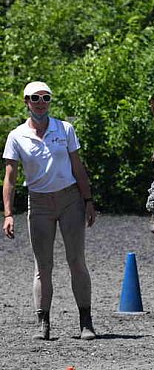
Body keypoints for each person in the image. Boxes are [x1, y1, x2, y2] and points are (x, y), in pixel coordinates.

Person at [2, 81, 97, 341]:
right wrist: (8, 213)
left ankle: (85, 322)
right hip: (39, 203)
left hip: (70, 201)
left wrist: (88, 200)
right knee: (43, 265)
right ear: (26, 102)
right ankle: (43, 323)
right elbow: (10, 178)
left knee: (76, 260)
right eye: (35, 98)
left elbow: (78, 168)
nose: (40, 102)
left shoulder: (65, 129)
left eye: (45, 98)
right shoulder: (16, 136)